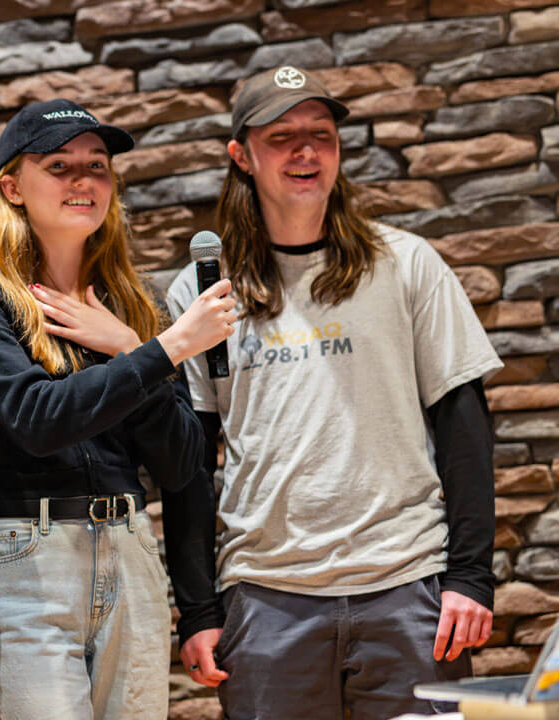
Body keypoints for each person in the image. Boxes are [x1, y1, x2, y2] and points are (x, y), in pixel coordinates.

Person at [165, 66, 503, 719]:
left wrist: (470, 577)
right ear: (242, 155)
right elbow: (190, 470)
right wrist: (199, 610)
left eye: (320, 134)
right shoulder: (204, 293)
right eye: (283, 135)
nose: (306, 150)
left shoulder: (406, 263)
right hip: (265, 600)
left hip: (408, 588)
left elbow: (464, 426)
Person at [0, 98, 237, 720]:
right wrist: (164, 351)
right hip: (25, 556)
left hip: (129, 546)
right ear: (12, 187)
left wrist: (127, 344)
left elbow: (180, 464)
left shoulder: (129, 303)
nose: (83, 180)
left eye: (97, 166)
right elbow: (37, 419)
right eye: (60, 165)